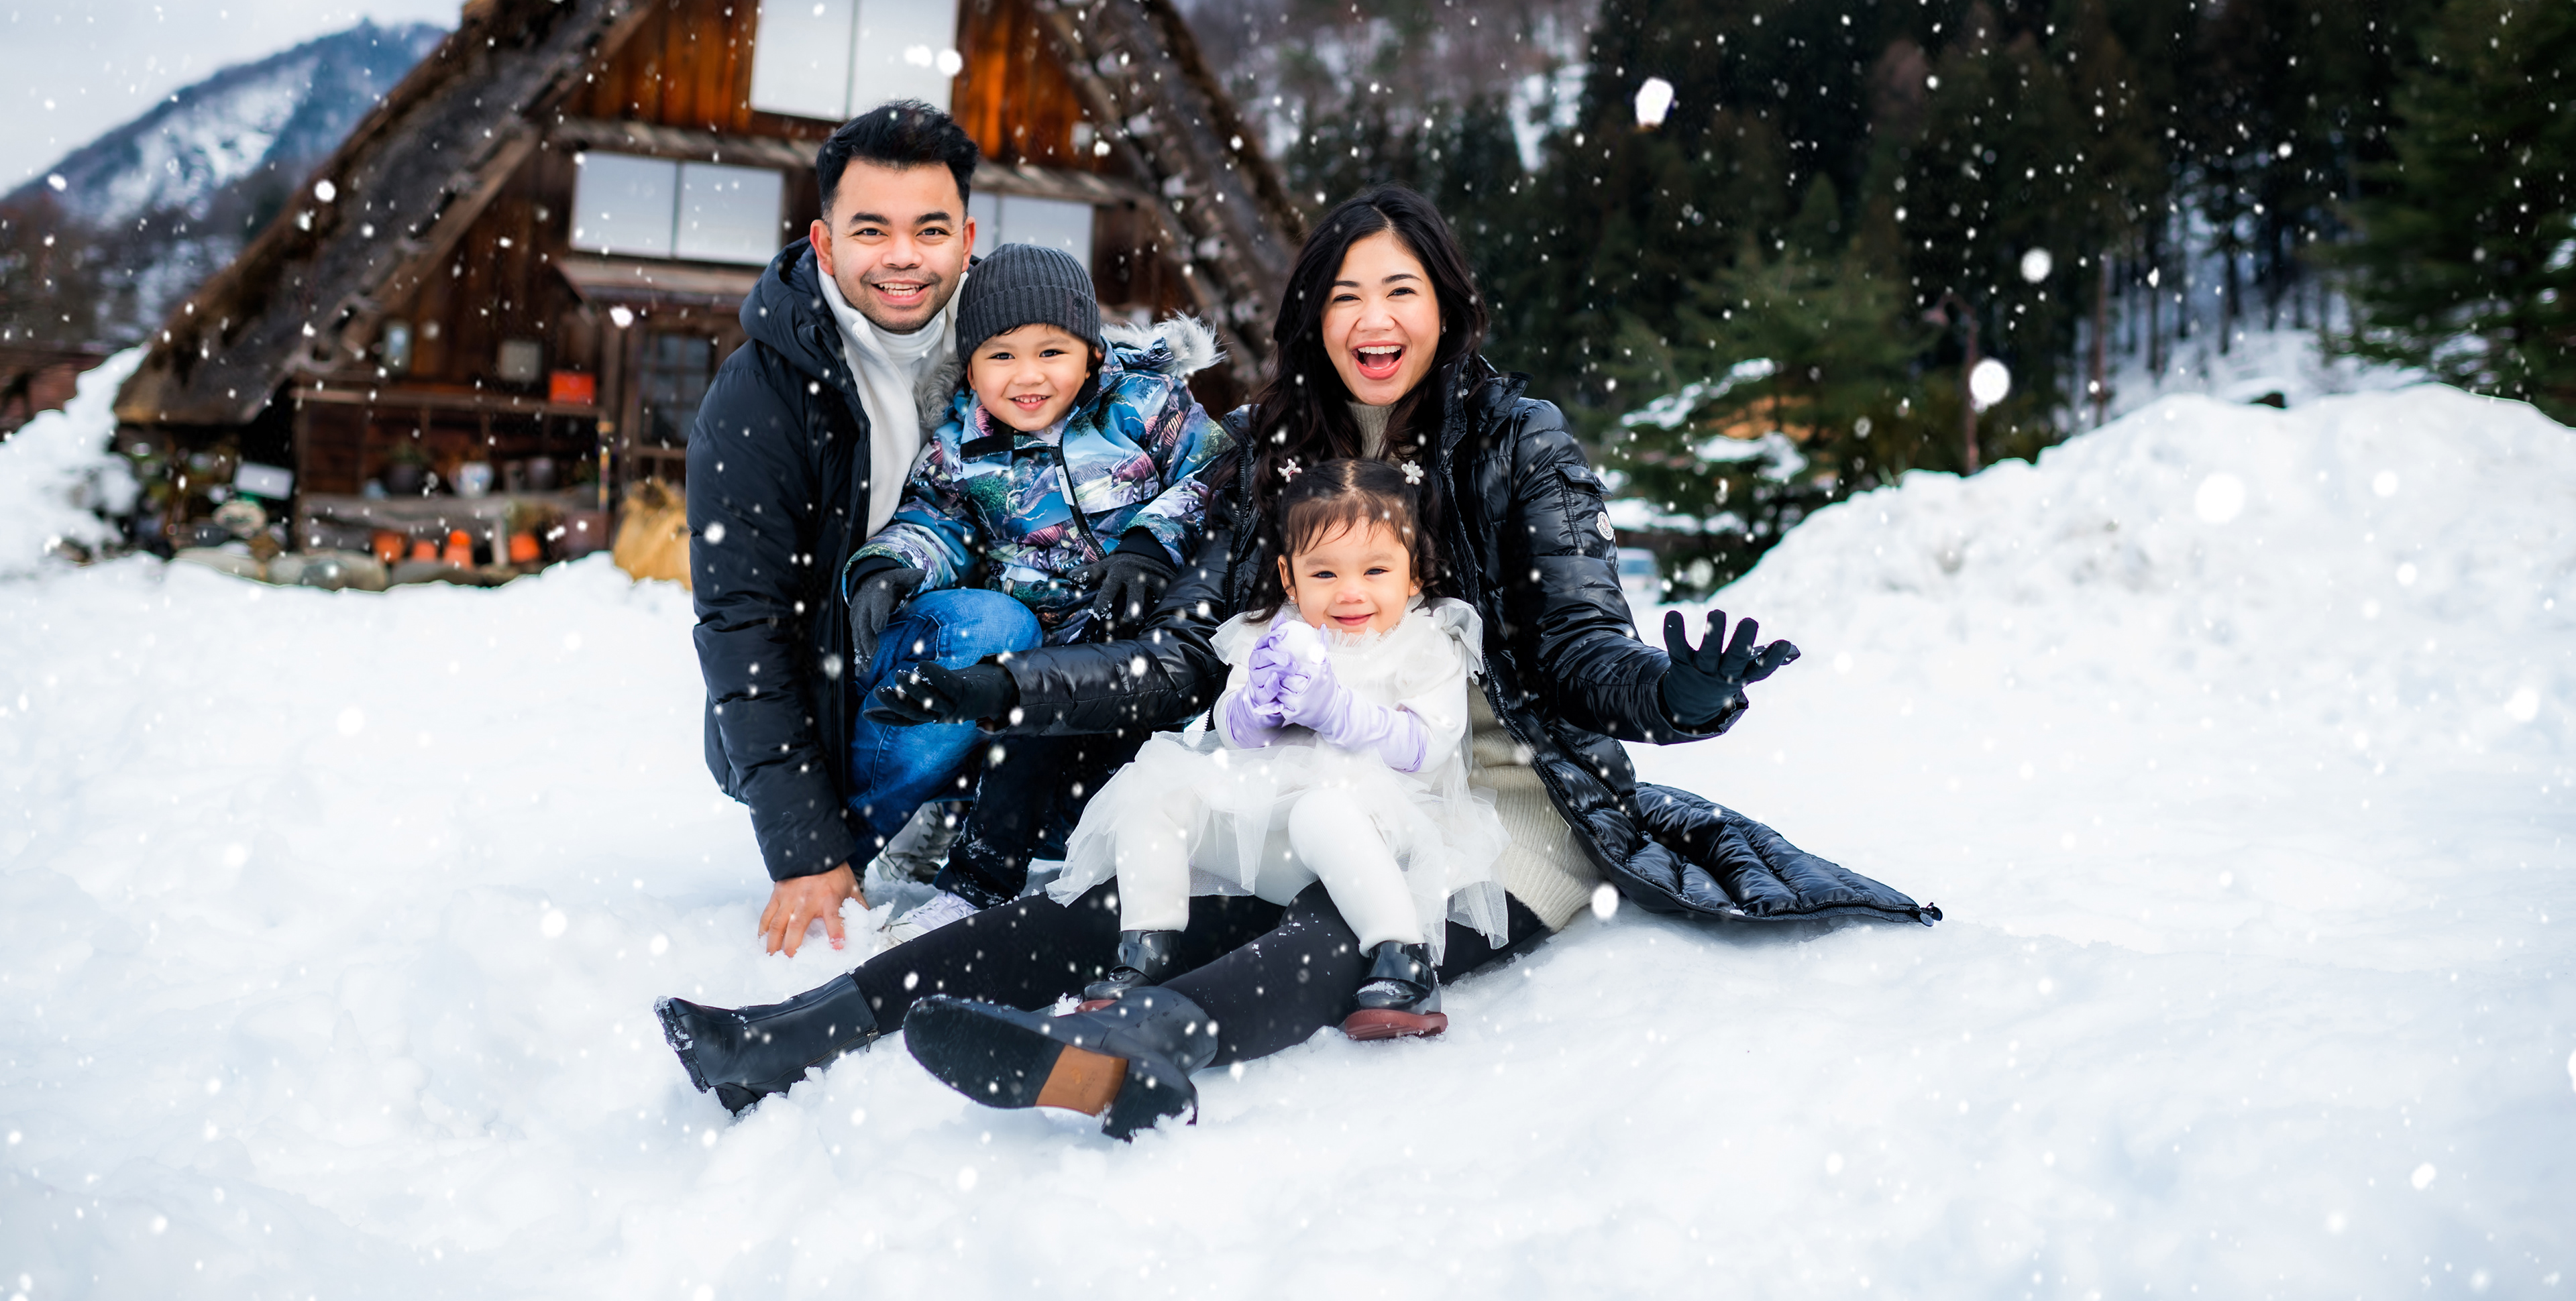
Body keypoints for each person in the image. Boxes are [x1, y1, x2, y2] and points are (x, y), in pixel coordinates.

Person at [659, 185, 1937, 1132]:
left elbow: (1580, 652)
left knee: (1354, 910)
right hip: (1307, 758)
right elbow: (1179, 658)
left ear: (1446, 305)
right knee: (1119, 896)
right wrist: (1008, 692)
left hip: (1493, 796)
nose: (1374, 321)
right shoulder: (1272, 453)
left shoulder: (1518, 442)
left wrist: (1672, 694)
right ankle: (802, 1032)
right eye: (1345, 297)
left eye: (1401, 292)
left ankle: (1143, 1047)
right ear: (1312, 318)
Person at [687, 101, 1130, 962]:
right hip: (836, 690)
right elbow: (743, 622)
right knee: (988, 625)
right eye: (871, 230)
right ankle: (865, 837)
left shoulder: (1020, 339)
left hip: (1021, 696)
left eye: (929, 230)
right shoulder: (759, 398)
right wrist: (808, 847)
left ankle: (988, 816)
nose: (902, 257)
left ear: (967, 238)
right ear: (824, 244)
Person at [839, 239, 1232, 929]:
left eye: (1052, 351)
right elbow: (934, 520)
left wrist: (1149, 542)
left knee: (1131, 774)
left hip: (1145, 640)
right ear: (970, 366)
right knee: (1029, 731)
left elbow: (1215, 475)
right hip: (1042, 655)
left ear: (1092, 354)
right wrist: (891, 562)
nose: (1028, 376)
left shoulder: (1147, 405)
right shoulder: (961, 447)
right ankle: (977, 879)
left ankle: (1127, 864)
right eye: (1001, 356)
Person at [1051, 459, 1506, 1035]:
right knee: (1155, 790)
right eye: (1324, 574)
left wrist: (1336, 712)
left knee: (1324, 810)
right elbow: (1228, 727)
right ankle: (1149, 947)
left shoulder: (1426, 640)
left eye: (1375, 570)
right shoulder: (1273, 632)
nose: (1350, 592)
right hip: (1267, 839)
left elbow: (1427, 746)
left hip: (1376, 841)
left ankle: (1403, 955)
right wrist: (1256, 709)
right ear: (1290, 578)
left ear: (1413, 573)